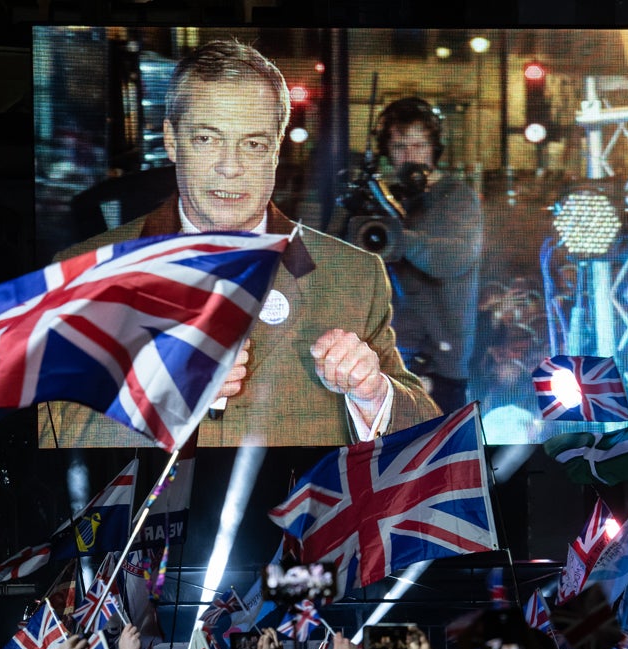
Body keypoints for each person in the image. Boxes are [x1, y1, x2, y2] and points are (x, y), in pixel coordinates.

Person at [38, 38, 439, 449]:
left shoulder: (354, 276)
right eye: (207, 139)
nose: (231, 167)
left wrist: (374, 396)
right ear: (172, 141)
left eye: (253, 144)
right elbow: (49, 437)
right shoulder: (82, 271)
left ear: (277, 150)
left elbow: (429, 442)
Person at [333, 96, 484, 415]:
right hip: (382, 361)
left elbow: (454, 257)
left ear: (435, 149)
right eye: (401, 147)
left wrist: (399, 238)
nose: (410, 156)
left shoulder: (456, 196)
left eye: (418, 145)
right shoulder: (377, 199)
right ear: (387, 151)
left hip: (438, 364)